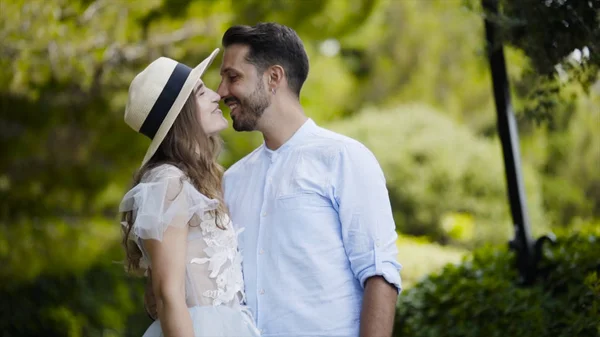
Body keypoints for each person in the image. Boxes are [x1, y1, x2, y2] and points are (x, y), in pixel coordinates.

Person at [217, 23, 402, 337]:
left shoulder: (344, 159)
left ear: (273, 77)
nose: (221, 92)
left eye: (232, 77)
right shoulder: (232, 180)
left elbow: (379, 274)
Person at [118, 49, 261, 337]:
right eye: (199, 92)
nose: (215, 95)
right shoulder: (166, 183)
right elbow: (168, 294)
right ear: (180, 114)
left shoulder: (200, 180)